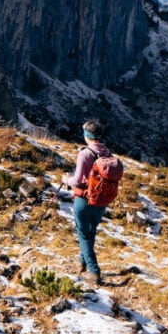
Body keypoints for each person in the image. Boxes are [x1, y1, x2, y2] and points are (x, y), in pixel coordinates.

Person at [62, 119, 110, 286]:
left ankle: (94, 271)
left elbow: (78, 180)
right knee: (90, 232)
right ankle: (81, 262)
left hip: (84, 199)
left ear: (87, 135)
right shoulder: (106, 152)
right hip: (101, 201)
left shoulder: (85, 153)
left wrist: (66, 180)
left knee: (83, 234)